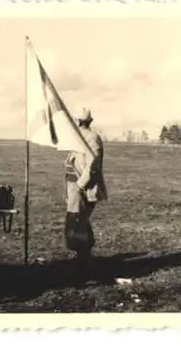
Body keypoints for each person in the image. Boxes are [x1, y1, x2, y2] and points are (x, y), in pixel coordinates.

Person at [63, 108, 108, 262]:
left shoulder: (91, 138)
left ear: (80, 122)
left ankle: (82, 257)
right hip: (73, 187)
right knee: (77, 220)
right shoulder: (77, 138)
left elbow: (93, 165)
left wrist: (81, 186)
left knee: (78, 221)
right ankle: (82, 254)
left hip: (83, 187)